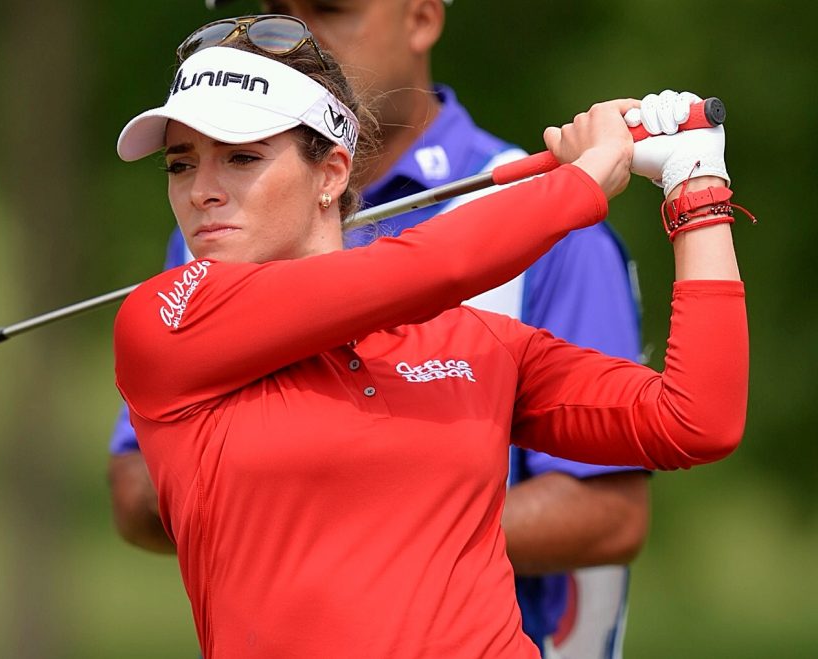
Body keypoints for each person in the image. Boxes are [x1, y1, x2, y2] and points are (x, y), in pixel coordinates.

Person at [111, 20, 747, 658]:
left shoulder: (477, 343)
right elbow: (431, 267)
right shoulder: (167, 320)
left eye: (241, 157)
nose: (201, 192)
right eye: (180, 164)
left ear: (331, 172)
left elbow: (695, 420)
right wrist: (584, 178)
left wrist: (697, 188)